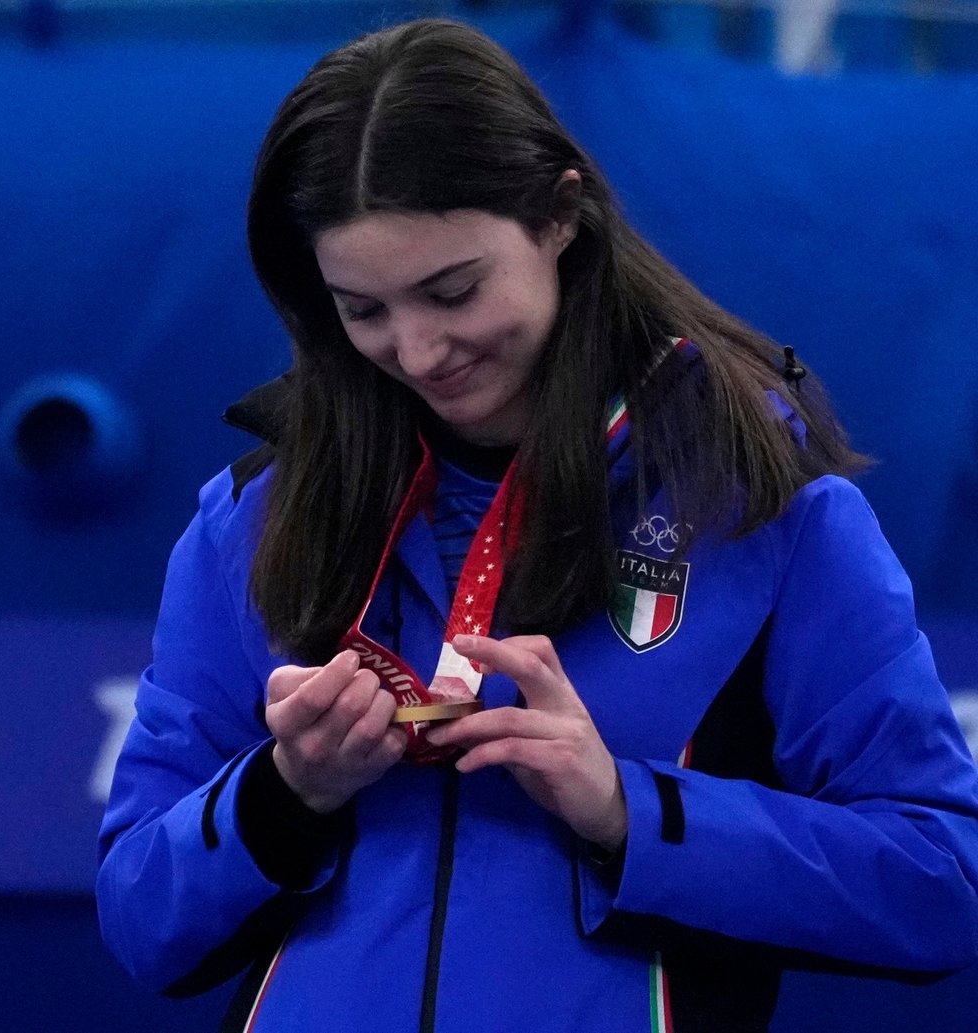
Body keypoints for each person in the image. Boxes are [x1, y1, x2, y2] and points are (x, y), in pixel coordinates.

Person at [96, 18, 978, 1033]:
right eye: (362, 308)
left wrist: (624, 809)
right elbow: (138, 919)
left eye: (452, 290)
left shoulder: (765, 507)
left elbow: (938, 881)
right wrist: (284, 791)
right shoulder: (255, 517)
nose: (418, 351)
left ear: (559, 216)